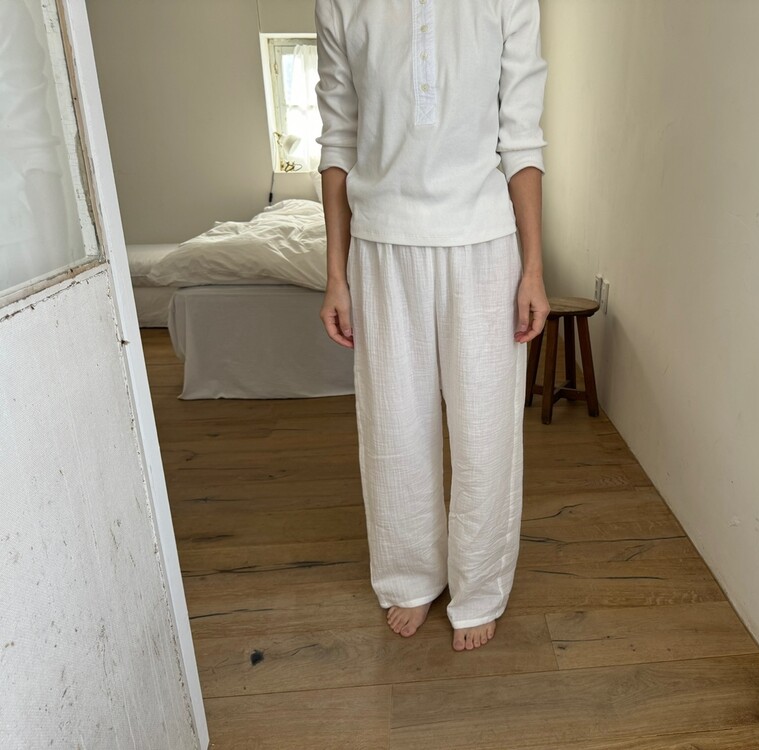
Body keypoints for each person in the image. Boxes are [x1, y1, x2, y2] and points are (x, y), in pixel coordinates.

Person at [315, 0, 549, 651]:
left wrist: (534, 267)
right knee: (393, 429)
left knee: (486, 432)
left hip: (484, 243)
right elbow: (337, 139)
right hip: (381, 245)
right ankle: (410, 574)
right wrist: (335, 274)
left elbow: (522, 135)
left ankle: (479, 586)